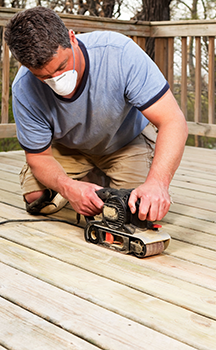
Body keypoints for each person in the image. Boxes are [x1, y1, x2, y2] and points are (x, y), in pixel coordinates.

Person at [4, 6, 188, 222]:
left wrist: (158, 183)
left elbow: (173, 121)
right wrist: (68, 187)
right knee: (37, 198)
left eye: (62, 66)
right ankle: (90, 179)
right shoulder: (24, 87)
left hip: (125, 142)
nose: (57, 79)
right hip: (70, 147)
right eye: (44, 77)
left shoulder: (119, 53)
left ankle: (99, 179)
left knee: (138, 211)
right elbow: (38, 156)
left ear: (72, 38)